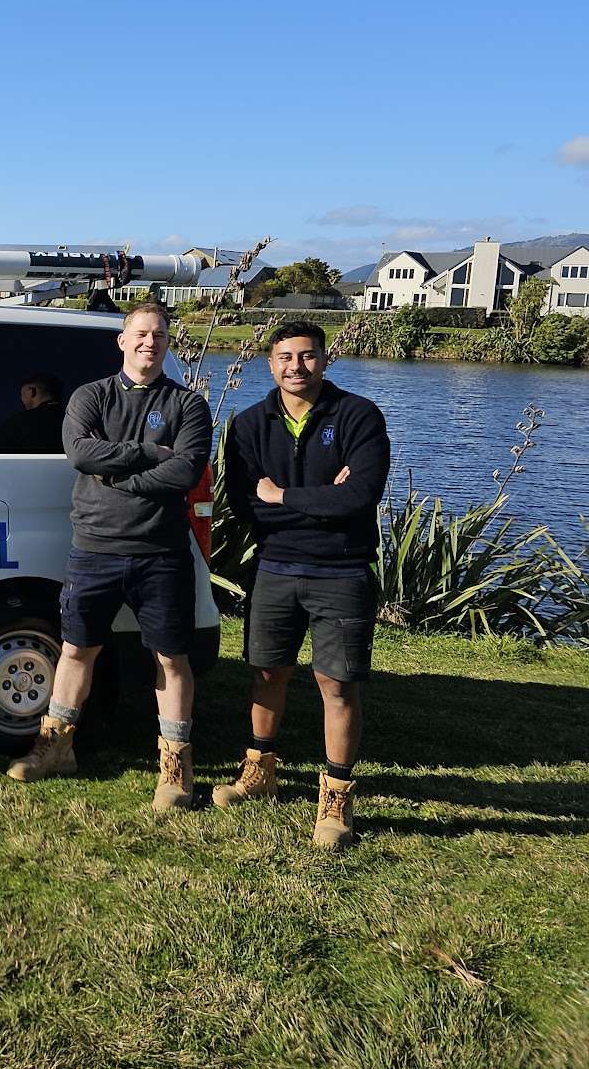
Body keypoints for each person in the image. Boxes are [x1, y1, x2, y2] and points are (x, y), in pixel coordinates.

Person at [7, 302, 212, 810]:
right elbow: (80, 453)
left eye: (159, 335)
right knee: (77, 649)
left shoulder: (187, 404)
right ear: (122, 341)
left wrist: (116, 474)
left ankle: (176, 765)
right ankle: (56, 748)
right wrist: (149, 454)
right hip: (94, 548)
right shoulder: (91, 396)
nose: (149, 342)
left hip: (161, 553)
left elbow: (186, 472)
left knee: (171, 658)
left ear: (168, 343)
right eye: (140, 333)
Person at [214, 321, 390, 848]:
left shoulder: (358, 415)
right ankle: (259, 771)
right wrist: (319, 500)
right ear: (270, 364)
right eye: (286, 357)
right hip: (275, 566)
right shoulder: (249, 424)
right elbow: (246, 505)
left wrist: (284, 496)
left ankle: (336, 796)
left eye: (308, 355)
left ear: (324, 360)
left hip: (343, 569)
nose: (297, 366)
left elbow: (360, 497)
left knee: (337, 684)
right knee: (267, 672)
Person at [0, 372, 66, 453]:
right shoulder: (72, 421)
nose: (21, 399)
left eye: (21, 394)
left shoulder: (17, 423)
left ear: (31, 391)